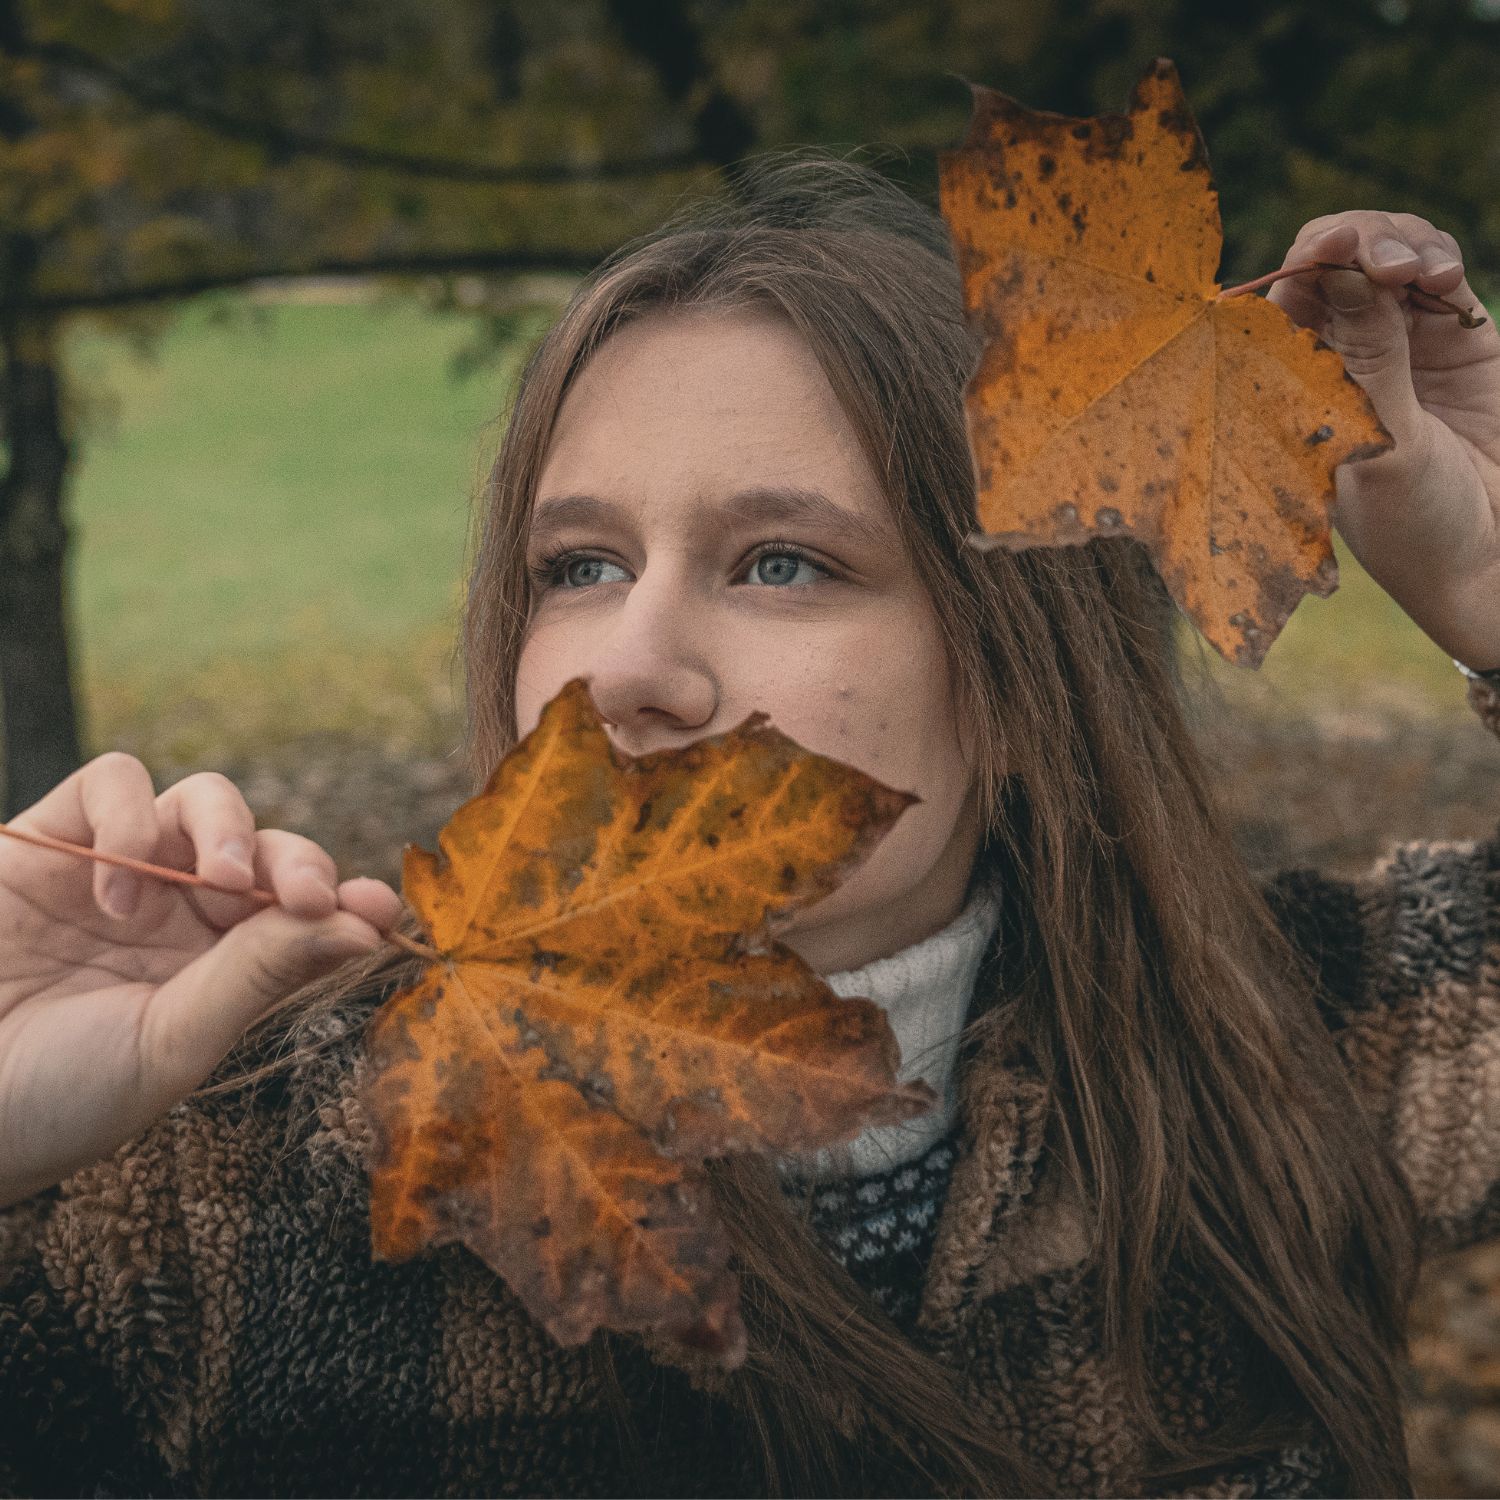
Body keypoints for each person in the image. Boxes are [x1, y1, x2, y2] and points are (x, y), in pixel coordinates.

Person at [1, 154, 1497, 1499]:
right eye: (578, 566)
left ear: (1027, 675)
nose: (631, 670)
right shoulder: (233, 1177)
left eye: (783, 562)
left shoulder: (1284, 1053)